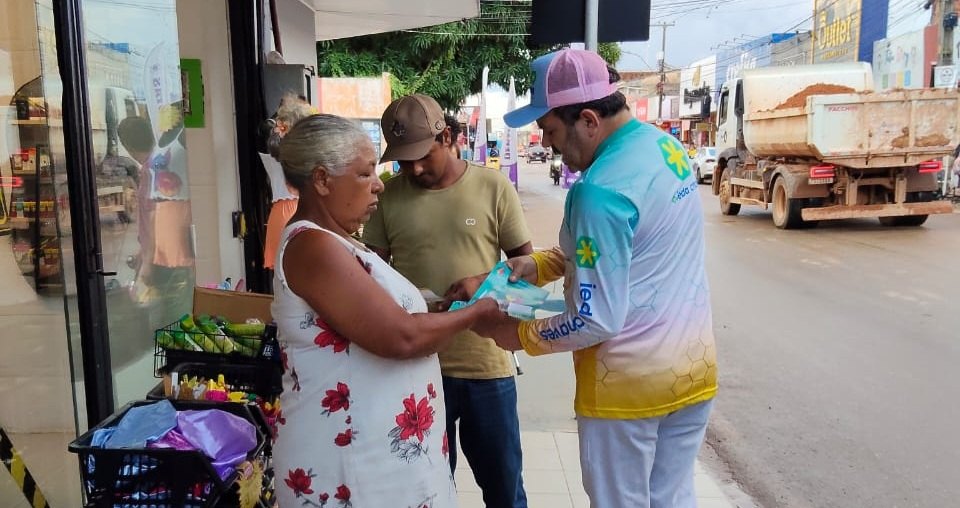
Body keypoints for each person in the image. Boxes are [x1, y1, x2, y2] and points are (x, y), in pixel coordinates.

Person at [459, 49, 718, 508]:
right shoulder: (663, 147)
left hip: (627, 390)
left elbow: (594, 319)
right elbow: (626, 251)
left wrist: (515, 334)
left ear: (589, 120)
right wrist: (538, 265)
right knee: (673, 498)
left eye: (551, 130)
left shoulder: (598, 190)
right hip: (692, 374)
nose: (548, 144)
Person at [271, 114, 503, 507]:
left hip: (375, 456)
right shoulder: (313, 246)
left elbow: (380, 317)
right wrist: (477, 312)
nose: (378, 183)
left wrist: (444, 307)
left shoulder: (336, 239)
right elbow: (402, 336)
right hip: (350, 462)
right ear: (323, 180)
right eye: (364, 174)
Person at [362, 94, 533, 508]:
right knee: (428, 491)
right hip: (415, 368)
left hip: (485, 367)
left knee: (505, 490)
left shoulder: (493, 187)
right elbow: (371, 278)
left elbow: (526, 271)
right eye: (404, 162)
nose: (415, 169)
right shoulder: (388, 197)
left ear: (448, 137)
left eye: (423, 156)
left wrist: (483, 287)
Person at [261, 94, 313, 271]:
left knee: (282, 275)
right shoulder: (307, 151)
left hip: (280, 213)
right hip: (303, 210)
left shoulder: (273, 147)